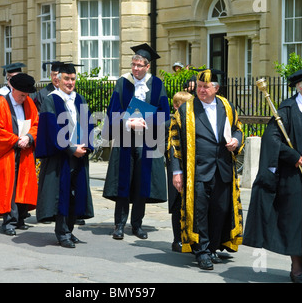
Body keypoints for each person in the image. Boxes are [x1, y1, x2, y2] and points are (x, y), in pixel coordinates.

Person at [243, 67, 302, 283]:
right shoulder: (286, 111)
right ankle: (296, 269)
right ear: (300, 87)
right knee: (297, 223)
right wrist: (291, 154)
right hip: (296, 178)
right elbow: (272, 140)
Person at [168, 68, 244, 270]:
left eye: (205, 87)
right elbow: (174, 142)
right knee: (200, 212)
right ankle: (201, 252)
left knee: (220, 210)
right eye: (199, 87)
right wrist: (177, 172)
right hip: (198, 170)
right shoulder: (185, 110)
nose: (201, 90)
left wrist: (236, 140)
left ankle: (211, 248)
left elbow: (237, 128)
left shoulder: (226, 106)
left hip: (223, 169)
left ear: (216, 88)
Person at [102, 43, 170, 240]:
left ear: (148, 66)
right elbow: (112, 111)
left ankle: (137, 224)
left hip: (147, 140)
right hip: (125, 139)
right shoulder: (122, 83)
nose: (135, 69)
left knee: (142, 182)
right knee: (123, 181)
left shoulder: (157, 85)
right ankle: (119, 224)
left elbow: (165, 115)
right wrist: (127, 121)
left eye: (139, 65)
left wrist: (146, 122)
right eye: (133, 65)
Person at [35, 63, 94, 248]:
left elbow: (88, 123)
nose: (70, 82)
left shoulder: (80, 99)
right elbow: (52, 129)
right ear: (58, 80)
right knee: (61, 194)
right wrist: (70, 149)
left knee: (75, 194)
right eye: (66, 79)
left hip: (79, 154)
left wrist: (86, 146)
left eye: (73, 79)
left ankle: (69, 230)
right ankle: (62, 233)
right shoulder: (51, 100)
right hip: (60, 156)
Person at [0, 73, 39, 236]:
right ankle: (9, 221)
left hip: (25, 150)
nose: (24, 98)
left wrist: (28, 137)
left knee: (24, 184)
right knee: (8, 187)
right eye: (22, 95)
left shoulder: (28, 103)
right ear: (13, 89)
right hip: (7, 151)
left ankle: (21, 218)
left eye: (27, 95)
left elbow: (36, 123)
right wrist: (16, 141)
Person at [165, 91, 193, 252]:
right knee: (177, 204)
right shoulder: (170, 123)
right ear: (176, 106)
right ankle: (177, 239)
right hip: (175, 168)